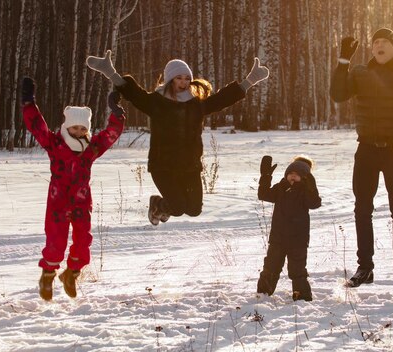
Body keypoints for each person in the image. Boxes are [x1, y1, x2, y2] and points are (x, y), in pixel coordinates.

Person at [86, 51, 269, 226]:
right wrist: (110, 72)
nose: (183, 82)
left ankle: (162, 205)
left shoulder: (196, 105)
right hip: (163, 166)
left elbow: (221, 100)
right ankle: (158, 204)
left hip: (190, 166)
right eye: (179, 78)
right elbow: (133, 93)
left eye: (187, 78)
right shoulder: (156, 102)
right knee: (179, 208)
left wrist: (250, 80)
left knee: (195, 209)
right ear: (169, 79)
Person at [329, 28, 393, 288]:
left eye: (385, 42)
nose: (379, 46)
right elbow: (338, 95)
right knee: (362, 208)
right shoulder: (360, 73)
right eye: (375, 43)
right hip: (367, 151)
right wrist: (343, 61)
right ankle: (365, 268)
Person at [21, 77, 127, 300]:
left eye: (83, 128)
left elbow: (110, 135)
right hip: (58, 203)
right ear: (66, 126)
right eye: (74, 127)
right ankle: (48, 276)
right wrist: (28, 103)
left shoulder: (90, 149)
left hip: (81, 203)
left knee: (83, 243)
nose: (79, 131)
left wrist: (117, 114)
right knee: (56, 242)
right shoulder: (55, 144)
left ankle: (71, 274)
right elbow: (37, 126)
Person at [256, 155, 322, 301]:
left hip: (298, 241)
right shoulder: (281, 188)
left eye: (297, 175)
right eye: (290, 173)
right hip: (278, 238)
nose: (293, 177)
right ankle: (262, 294)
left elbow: (315, 203)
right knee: (271, 267)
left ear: (304, 178)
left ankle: (302, 297)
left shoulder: (305, 192)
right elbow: (263, 194)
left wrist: (312, 187)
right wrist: (265, 176)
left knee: (297, 271)